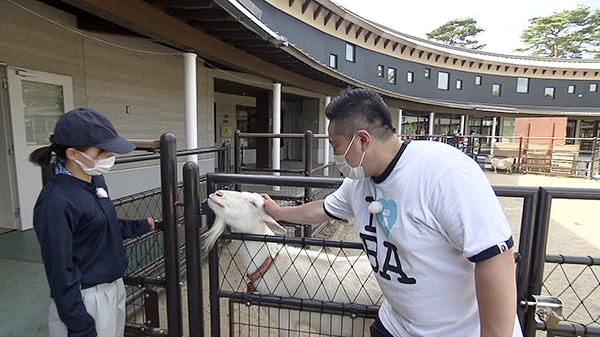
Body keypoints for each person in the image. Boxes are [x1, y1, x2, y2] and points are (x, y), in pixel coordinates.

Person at [262, 87, 522, 336]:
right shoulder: (358, 182)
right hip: (395, 324)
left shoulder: (444, 173)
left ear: (362, 140)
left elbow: (495, 257)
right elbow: (324, 208)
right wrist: (279, 212)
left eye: (336, 145)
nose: (336, 155)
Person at [30, 108, 156, 337]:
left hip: (113, 287)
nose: (109, 156)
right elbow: (60, 271)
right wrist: (79, 324)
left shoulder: (94, 180)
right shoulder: (55, 203)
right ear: (73, 154)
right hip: (86, 298)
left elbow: (103, 226)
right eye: (102, 150)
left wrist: (141, 225)